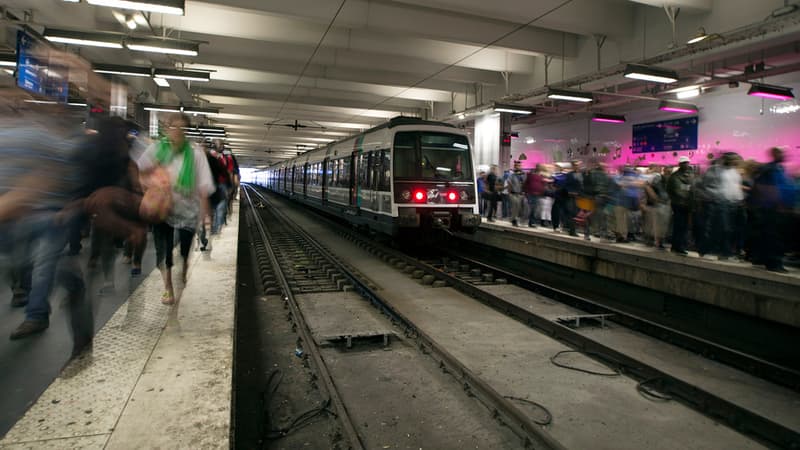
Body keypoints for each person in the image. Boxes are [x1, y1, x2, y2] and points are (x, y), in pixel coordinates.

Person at [136, 113, 215, 304]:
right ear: (167, 128)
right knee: (163, 252)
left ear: (186, 132)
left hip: (188, 211)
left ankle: (184, 269)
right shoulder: (156, 150)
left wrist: (206, 216)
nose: (177, 131)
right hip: (162, 210)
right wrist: (149, 190)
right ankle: (168, 288)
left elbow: (204, 188)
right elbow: (140, 171)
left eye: (182, 128)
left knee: (184, 252)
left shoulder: (196, 154)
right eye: (174, 127)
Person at [749, 148, 796, 272]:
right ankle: (773, 263)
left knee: (770, 235)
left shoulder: (777, 169)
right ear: (774, 154)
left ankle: (763, 259)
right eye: (781, 153)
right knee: (773, 236)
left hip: (774, 208)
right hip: (771, 208)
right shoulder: (770, 169)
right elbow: (766, 188)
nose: (784, 155)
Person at [667, 156, 694, 255]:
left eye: (687, 162)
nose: (686, 165)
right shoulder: (675, 177)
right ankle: (677, 246)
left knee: (684, 227)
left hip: (687, 205)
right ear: (680, 164)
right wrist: (689, 192)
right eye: (684, 163)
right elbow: (678, 191)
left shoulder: (690, 175)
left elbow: (691, 188)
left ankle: (679, 246)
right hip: (678, 204)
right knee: (679, 226)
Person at [505, 161, 525, 226]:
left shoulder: (523, 175)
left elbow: (525, 183)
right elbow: (509, 183)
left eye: (519, 165)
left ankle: (515, 219)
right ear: (514, 166)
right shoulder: (511, 175)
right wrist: (509, 192)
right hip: (513, 193)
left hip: (520, 193)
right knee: (514, 207)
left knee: (519, 207)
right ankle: (514, 220)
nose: (517, 167)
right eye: (516, 166)